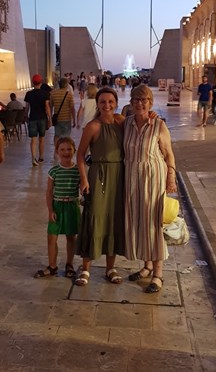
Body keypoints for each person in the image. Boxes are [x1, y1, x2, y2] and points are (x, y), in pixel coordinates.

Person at [124, 84, 177, 293]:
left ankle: (158, 274)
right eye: (136, 99)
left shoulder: (158, 125)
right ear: (130, 102)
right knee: (139, 223)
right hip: (131, 180)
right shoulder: (126, 123)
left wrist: (171, 177)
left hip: (153, 179)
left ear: (150, 102)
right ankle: (146, 266)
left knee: (153, 225)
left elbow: (169, 154)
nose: (139, 103)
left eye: (144, 100)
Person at [76, 87, 125, 286]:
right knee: (93, 216)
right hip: (99, 176)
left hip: (119, 176)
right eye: (103, 102)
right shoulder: (93, 126)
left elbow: (142, 122)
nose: (107, 106)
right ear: (97, 104)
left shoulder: (122, 122)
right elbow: (80, 155)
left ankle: (110, 268)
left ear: (116, 103)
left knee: (114, 219)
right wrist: (84, 179)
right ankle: (86, 268)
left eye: (110, 102)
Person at [34, 137, 81, 278]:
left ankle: (69, 264)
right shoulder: (53, 171)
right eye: (62, 149)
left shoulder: (78, 170)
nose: (66, 152)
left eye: (69, 149)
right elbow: (49, 192)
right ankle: (52, 266)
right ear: (56, 152)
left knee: (71, 237)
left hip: (72, 206)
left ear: (74, 150)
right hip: (57, 206)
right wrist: (50, 210)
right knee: (52, 237)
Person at [24, 74, 52, 166]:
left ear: (33, 82)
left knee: (33, 140)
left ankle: (33, 158)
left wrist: (25, 116)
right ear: (41, 82)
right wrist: (50, 119)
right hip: (42, 118)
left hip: (32, 118)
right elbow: (47, 107)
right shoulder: (45, 94)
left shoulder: (29, 94)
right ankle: (41, 157)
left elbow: (27, 107)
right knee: (42, 139)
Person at [50, 77, 75, 150]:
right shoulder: (69, 94)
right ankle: (65, 149)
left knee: (57, 135)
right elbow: (72, 108)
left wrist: (50, 118)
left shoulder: (53, 93)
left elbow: (50, 106)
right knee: (67, 136)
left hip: (57, 119)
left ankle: (57, 149)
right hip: (67, 118)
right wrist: (74, 120)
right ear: (66, 85)